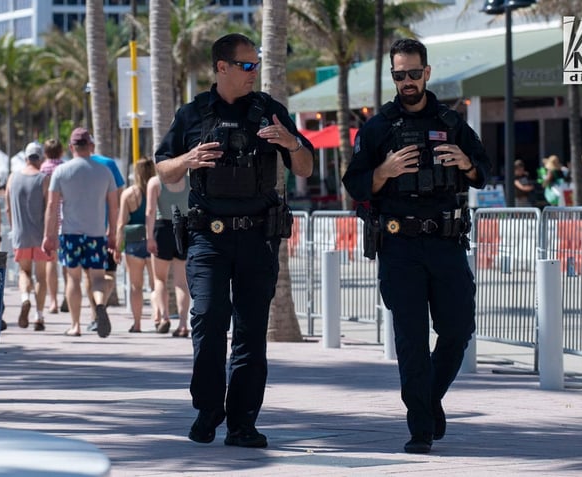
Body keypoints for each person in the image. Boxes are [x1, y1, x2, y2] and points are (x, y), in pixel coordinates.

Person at [155, 33, 314, 448]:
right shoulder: (193, 114)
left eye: (256, 65)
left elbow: (306, 167)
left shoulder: (268, 111)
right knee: (207, 320)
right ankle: (208, 411)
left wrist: (291, 143)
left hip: (258, 237)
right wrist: (188, 160)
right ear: (221, 67)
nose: (254, 72)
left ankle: (242, 423)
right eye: (246, 65)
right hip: (208, 237)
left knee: (250, 331)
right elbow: (164, 171)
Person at [341, 38, 491, 454]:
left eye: (413, 73)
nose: (406, 81)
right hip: (398, 245)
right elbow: (354, 183)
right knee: (410, 339)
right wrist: (383, 171)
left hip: (446, 242)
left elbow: (484, 170)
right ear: (393, 77)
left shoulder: (453, 120)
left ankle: (429, 400)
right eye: (398, 75)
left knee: (458, 330)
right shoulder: (377, 127)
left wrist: (466, 163)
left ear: (427, 72)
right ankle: (420, 428)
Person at [42, 127, 118, 339]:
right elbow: (114, 206)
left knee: (73, 279)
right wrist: (112, 233)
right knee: (97, 277)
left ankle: (75, 325)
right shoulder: (104, 171)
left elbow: (51, 206)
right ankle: (100, 305)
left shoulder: (61, 172)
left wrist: (48, 236)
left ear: (71, 147)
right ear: (90, 146)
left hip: (70, 233)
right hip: (96, 233)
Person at [6, 141, 49, 331]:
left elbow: (8, 207)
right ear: (40, 158)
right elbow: (49, 208)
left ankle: (25, 298)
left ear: (26, 158)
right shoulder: (43, 178)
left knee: (24, 271)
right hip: (40, 235)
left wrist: (15, 227)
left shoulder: (12, 178)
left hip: (20, 233)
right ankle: (39, 316)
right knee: (41, 276)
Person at [146, 172, 190, 337]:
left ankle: (164, 317)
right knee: (182, 282)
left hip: (162, 228)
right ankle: (184, 324)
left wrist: (149, 237)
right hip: (183, 229)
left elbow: (150, 211)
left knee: (160, 279)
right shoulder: (189, 181)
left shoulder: (155, 182)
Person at [114, 157, 156, 333]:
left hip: (133, 243)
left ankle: (137, 324)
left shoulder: (129, 194)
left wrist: (117, 247)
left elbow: (121, 223)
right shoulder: (156, 190)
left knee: (135, 286)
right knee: (156, 285)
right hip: (153, 240)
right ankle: (158, 319)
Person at [87, 151, 125, 332]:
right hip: (109, 229)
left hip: (87, 230)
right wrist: (116, 228)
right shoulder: (109, 163)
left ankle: (94, 314)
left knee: (90, 276)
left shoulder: (78, 164)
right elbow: (119, 196)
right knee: (108, 273)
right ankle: (102, 305)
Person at [39, 138, 66, 314]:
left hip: (49, 219)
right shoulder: (65, 167)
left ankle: (53, 301)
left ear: (45, 153)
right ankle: (66, 298)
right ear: (62, 152)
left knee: (51, 261)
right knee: (66, 263)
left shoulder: (42, 169)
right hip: (65, 218)